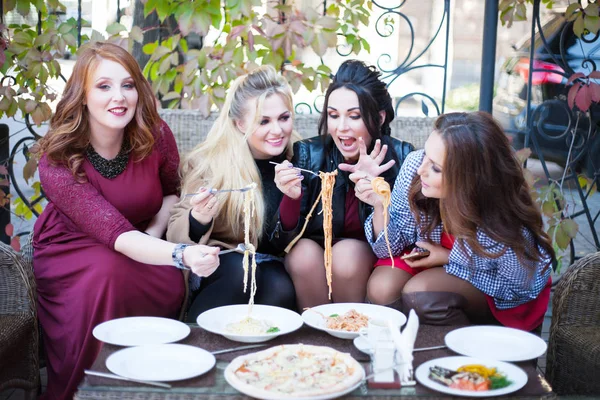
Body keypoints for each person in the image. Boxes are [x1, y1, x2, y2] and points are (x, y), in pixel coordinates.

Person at [32, 42, 221, 400]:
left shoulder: (154, 134)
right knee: (108, 274)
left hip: (143, 241)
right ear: (82, 96)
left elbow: (171, 193)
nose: (118, 96)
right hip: (72, 251)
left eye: (128, 84)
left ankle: (147, 388)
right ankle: (90, 389)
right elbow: (114, 234)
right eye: (103, 86)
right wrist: (182, 254)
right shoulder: (57, 159)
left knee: (161, 281)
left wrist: (153, 233)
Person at [353, 111, 554, 331]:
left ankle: (462, 353)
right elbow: (390, 247)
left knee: (422, 293)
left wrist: (449, 258)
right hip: (433, 255)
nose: (421, 170)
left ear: (469, 178)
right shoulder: (414, 167)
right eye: (425, 155)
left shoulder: (499, 214)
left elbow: (514, 290)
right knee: (382, 286)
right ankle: (401, 348)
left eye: (436, 168)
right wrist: (380, 205)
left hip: (496, 290)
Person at [271, 60, 414, 310]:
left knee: (347, 254)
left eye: (354, 116)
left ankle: (352, 328)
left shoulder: (401, 158)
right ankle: (316, 334)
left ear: (379, 118)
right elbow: (279, 243)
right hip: (316, 261)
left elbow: (400, 244)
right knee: (302, 253)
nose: (341, 127)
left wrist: (378, 195)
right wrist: (290, 198)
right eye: (333, 115)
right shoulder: (309, 154)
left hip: (367, 260)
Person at [167, 66, 297, 320]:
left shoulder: (300, 157)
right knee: (243, 274)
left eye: (284, 118)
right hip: (222, 263)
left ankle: (259, 355)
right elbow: (174, 229)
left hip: (273, 264)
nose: (277, 130)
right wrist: (198, 218)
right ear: (239, 123)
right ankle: (198, 343)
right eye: (264, 121)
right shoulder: (211, 163)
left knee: (279, 287)